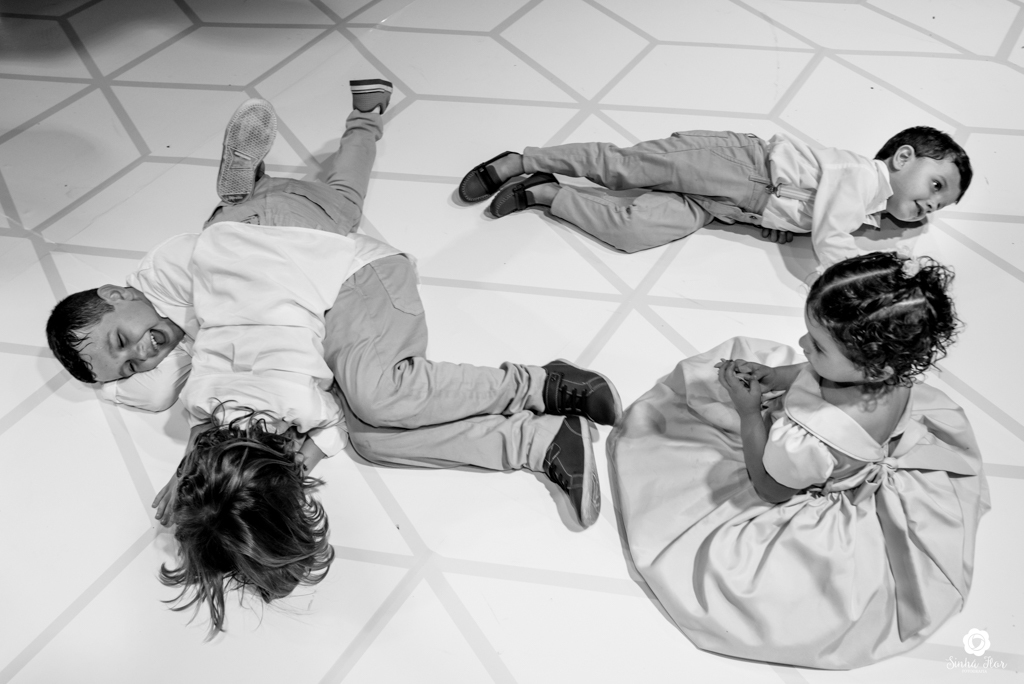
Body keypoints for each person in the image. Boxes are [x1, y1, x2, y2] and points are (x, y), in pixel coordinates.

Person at [45, 85, 621, 637]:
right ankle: (542, 441)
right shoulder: (199, 399)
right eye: (128, 365)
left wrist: (285, 457)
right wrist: (192, 485)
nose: (143, 357)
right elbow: (196, 422)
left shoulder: (171, 280)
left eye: (124, 347)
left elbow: (314, 420)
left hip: (340, 269)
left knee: (375, 399)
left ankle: (544, 385)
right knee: (371, 439)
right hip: (293, 286)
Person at [606, 251, 989, 669]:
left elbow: (769, 488)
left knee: (677, 467)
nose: (803, 344)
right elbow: (814, 375)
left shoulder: (812, 438)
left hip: (800, 472)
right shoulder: (888, 374)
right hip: (846, 454)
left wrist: (750, 414)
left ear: (873, 367)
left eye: (818, 346)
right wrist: (777, 377)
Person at [458, 127, 972, 268]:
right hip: (737, 164)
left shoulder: (864, 215)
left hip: (725, 209)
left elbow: (802, 220)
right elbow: (829, 234)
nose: (933, 205)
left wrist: (766, 227)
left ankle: (545, 193)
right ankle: (523, 159)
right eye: (936, 185)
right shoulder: (861, 176)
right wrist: (860, 279)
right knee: (622, 168)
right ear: (903, 158)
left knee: (633, 230)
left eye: (940, 205)